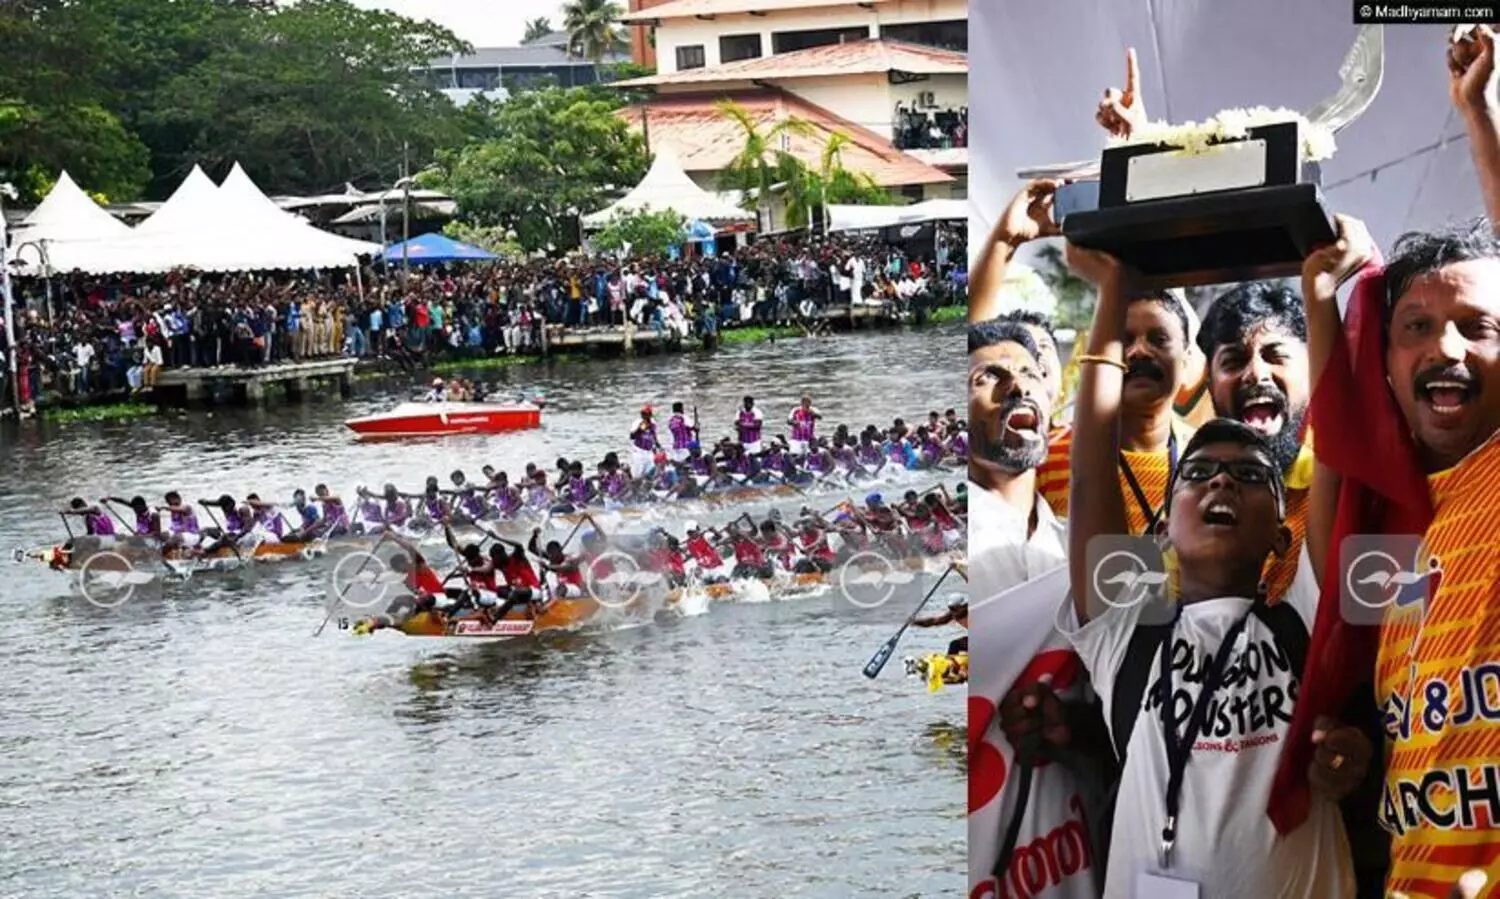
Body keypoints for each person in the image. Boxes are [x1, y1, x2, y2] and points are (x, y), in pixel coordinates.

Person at [629, 406, 659, 479]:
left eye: (648, 414)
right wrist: (640, 429)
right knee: (637, 476)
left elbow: (654, 437)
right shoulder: (637, 423)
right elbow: (632, 436)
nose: (646, 416)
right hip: (639, 452)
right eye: (644, 414)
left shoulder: (653, 424)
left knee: (650, 475)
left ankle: (646, 489)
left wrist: (657, 451)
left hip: (649, 453)